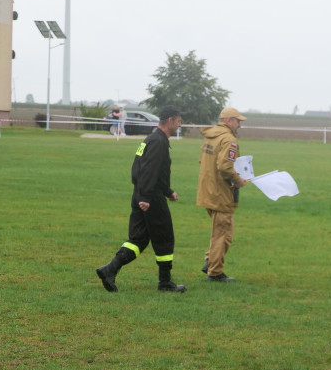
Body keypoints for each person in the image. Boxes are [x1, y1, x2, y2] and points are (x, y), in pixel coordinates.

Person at [95, 106, 186, 293]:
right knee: (164, 237)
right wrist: (146, 197)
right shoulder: (158, 142)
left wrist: (167, 191)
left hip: (141, 193)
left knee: (138, 239)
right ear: (170, 121)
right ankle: (165, 283)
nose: (180, 125)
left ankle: (109, 270)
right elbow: (148, 171)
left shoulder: (151, 139)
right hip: (150, 197)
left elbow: (142, 170)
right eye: (178, 121)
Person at [196, 107, 248, 282]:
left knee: (218, 232)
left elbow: (202, 161)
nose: (239, 125)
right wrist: (238, 180)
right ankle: (215, 272)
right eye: (237, 121)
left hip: (206, 191)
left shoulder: (210, 136)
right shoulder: (229, 139)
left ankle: (210, 260)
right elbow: (225, 166)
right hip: (220, 193)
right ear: (228, 121)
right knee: (224, 235)